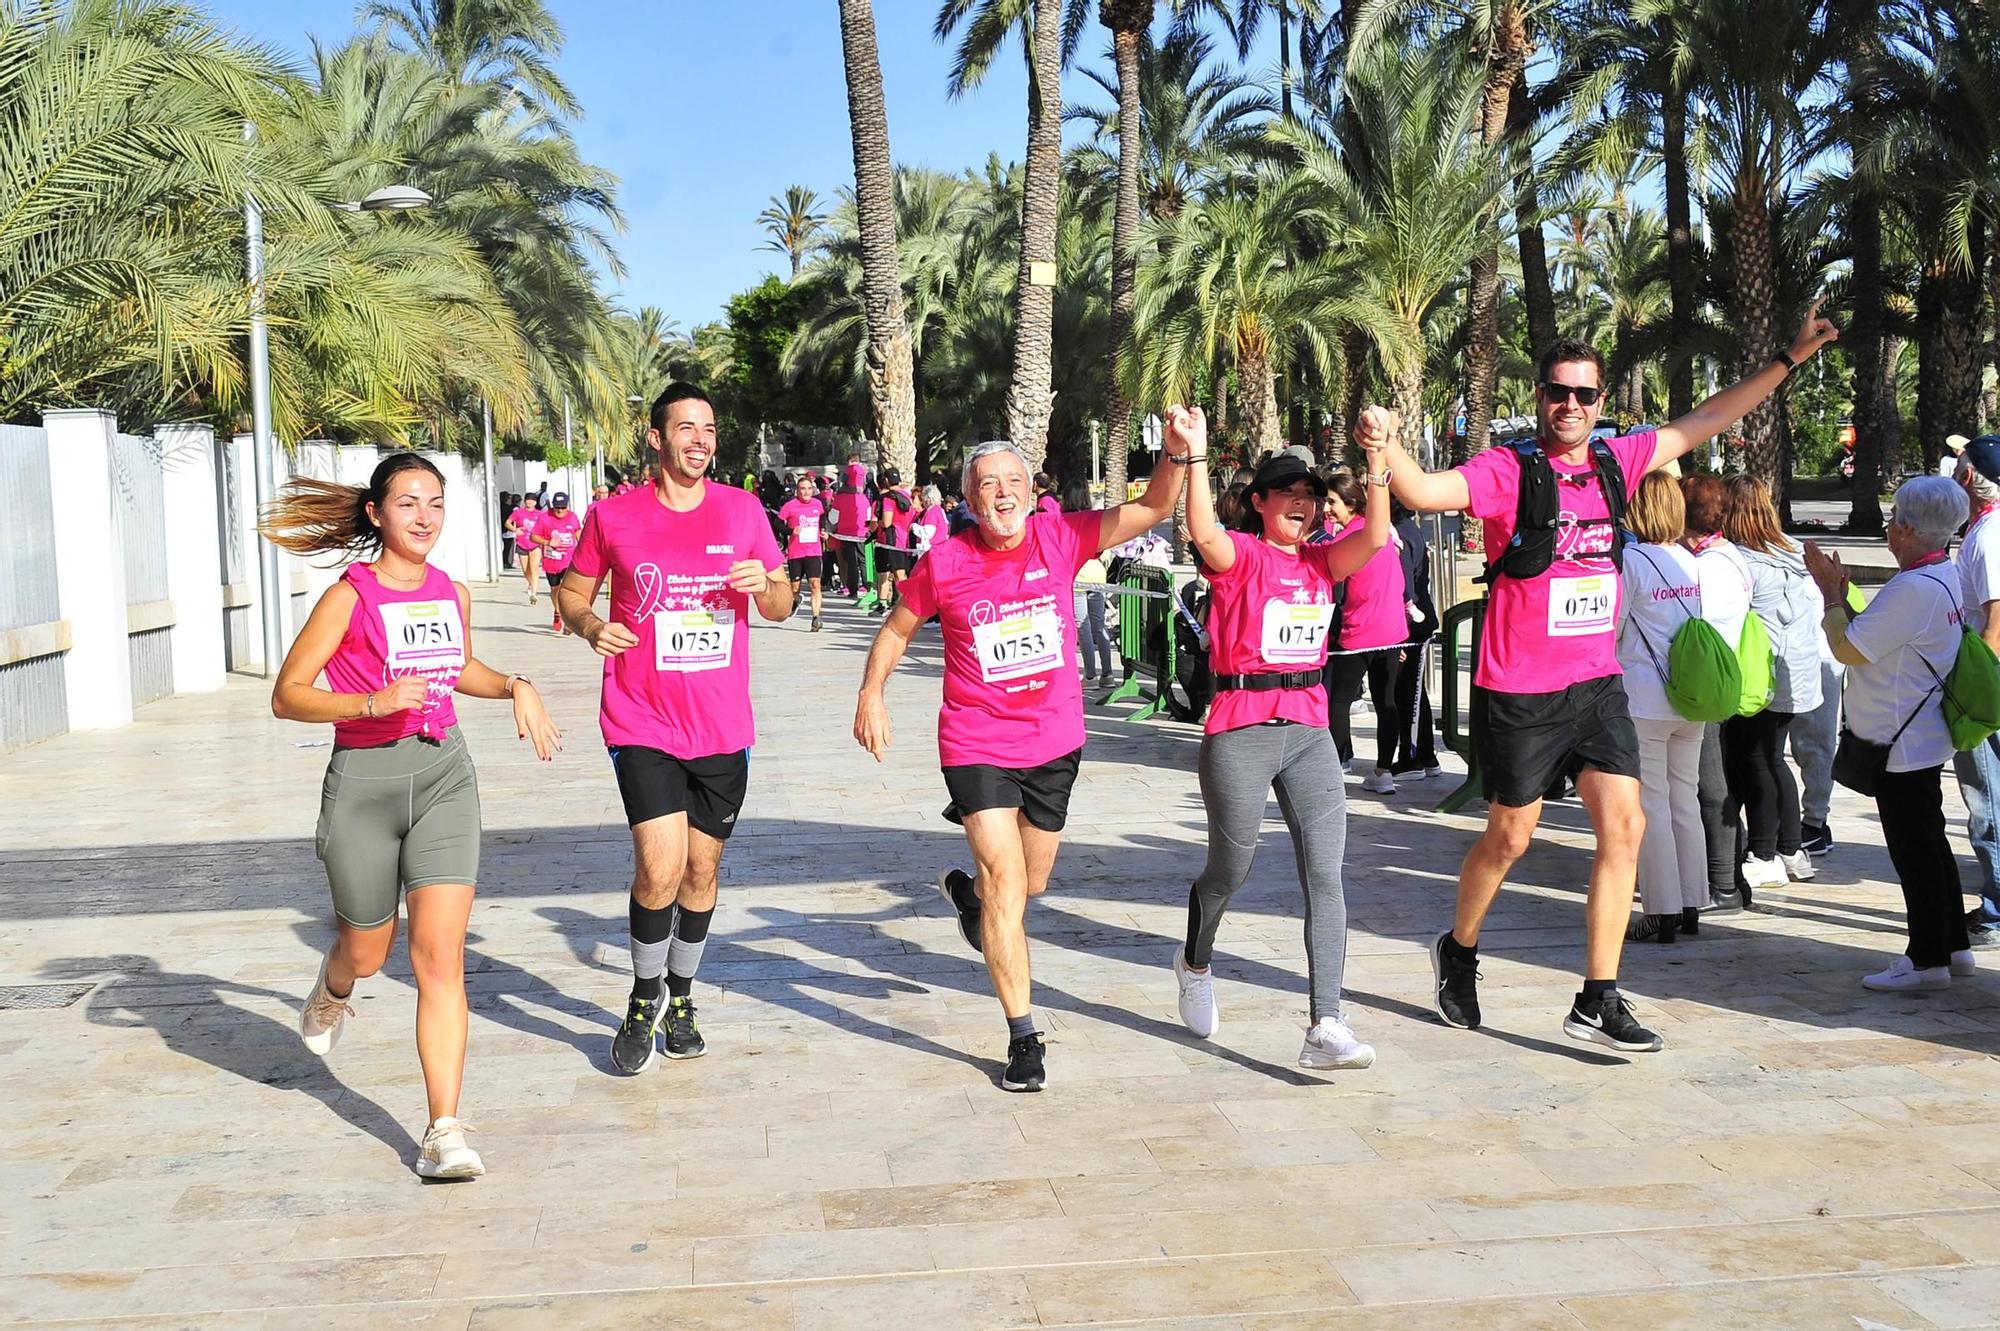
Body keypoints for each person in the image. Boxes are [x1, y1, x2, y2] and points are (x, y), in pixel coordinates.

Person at [1376, 303, 1840, 1051]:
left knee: (1625, 827)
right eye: (1558, 391)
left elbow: (1708, 419)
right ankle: (1458, 949)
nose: (1570, 405)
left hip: (1598, 683)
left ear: (1601, 401)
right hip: (1523, 688)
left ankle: (1599, 996)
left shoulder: (1616, 462)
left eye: (1584, 394)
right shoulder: (1507, 470)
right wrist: (1388, 445)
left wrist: (1790, 360)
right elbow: (1425, 493)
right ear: (1541, 398)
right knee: (1511, 837)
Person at [853, 437, 1192, 1091]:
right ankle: (1024, 1036)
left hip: (1054, 742)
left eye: (1014, 479)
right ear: (969, 498)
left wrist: (1177, 453)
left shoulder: (1061, 536)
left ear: (1031, 489)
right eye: (988, 483)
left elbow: (1154, 505)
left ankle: (971, 903)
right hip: (976, 742)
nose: (1003, 492)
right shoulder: (946, 562)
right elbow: (897, 627)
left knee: (1029, 884)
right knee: (1007, 885)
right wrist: (872, 690)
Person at [264, 453, 562, 1180]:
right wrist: (368, 703)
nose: (424, 516)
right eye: (407, 503)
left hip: (442, 780)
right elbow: (288, 694)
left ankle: (443, 1130)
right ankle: (335, 988)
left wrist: (514, 684)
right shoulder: (349, 596)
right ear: (376, 513)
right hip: (363, 786)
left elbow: (456, 667)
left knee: (439, 960)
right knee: (368, 951)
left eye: (435, 503)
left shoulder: (449, 592)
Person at [554, 383, 793, 1075]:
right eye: (685, 427)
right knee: (658, 867)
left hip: (722, 724)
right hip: (642, 718)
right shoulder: (613, 515)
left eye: (709, 428)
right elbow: (573, 590)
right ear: (655, 438)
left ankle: (681, 995)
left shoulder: (744, 510)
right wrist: (593, 623)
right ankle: (642, 994)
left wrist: (763, 588)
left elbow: (778, 602)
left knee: (702, 868)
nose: (699, 439)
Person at [1173, 410, 1393, 1069]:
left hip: (1308, 734)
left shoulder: (1325, 563)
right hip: (1240, 731)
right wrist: (1196, 457)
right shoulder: (1240, 556)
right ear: (1261, 501)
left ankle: (1325, 1022)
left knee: (1326, 871)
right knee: (1229, 870)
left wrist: (1378, 461)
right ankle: (1195, 959)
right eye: (1287, 492)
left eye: (1311, 495)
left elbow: (1377, 535)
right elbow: (1202, 529)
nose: (1301, 503)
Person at [1805, 478, 1979, 989]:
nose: (1886, 526)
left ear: (1905, 527)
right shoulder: (1943, 574)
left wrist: (1830, 593)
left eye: (1891, 517)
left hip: (1900, 739)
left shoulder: (1912, 588)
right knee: (1930, 844)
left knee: (1914, 851)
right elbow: (1876, 637)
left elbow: (1848, 648)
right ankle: (1952, 946)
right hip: (1922, 734)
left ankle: (1927, 961)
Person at [1616, 473, 1709, 943]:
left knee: (1650, 801)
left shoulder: (1631, 561)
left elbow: (1611, 629)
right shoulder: (1689, 560)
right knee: (1684, 797)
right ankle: (1693, 899)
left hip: (1646, 696)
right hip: (1691, 695)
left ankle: (1661, 909)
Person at [1724, 476, 1823, 886]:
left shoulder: (1741, 560)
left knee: (1756, 760)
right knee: (1773, 757)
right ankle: (1791, 848)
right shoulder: (1792, 550)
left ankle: (1763, 852)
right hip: (1795, 667)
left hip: (1758, 672)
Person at [1682, 475, 1756, 908]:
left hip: (1703, 684)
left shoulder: (1706, 566)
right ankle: (1727, 876)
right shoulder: (1726, 556)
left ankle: (1722, 883)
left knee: (1711, 786)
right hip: (1717, 678)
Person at [1324, 471, 1409, 794]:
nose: (1326, 509)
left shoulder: (1348, 539)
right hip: (1392, 631)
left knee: (1339, 699)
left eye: (1331, 503)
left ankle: (1338, 760)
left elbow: (1334, 586)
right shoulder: (1382, 534)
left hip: (1358, 633)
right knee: (1386, 702)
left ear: (1351, 504)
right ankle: (1383, 771)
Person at [1951, 437, 2000, 947]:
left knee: (1986, 797)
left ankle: (1996, 908)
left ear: (1968, 478)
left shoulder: (1988, 535)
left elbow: (1996, 623)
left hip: (1989, 680)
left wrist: (1976, 691)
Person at [1390, 502, 1441, 779]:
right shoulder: (1410, 528)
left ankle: (1411, 757)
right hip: (1415, 623)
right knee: (1414, 692)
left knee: (1407, 693)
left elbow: (1406, 589)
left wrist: (1400, 632)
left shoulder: (1401, 534)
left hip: (1411, 626)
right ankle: (1425, 753)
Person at [1063, 478, 1116, 688]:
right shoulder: (1095, 518)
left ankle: (1091, 676)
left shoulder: (1066, 520)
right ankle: (1108, 674)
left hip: (1078, 576)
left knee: (1082, 627)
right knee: (1099, 625)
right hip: (1097, 573)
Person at [779, 472, 828, 631]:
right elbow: (777, 524)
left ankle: (816, 617)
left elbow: (823, 520)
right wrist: (790, 531)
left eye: (808, 489)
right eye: (802, 489)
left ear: (813, 490)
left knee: (815, 584)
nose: (806, 492)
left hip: (814, 551)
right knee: (795, 588)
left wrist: (824, 531)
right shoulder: (790, 505)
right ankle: (796, 599)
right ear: (797, 491)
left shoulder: (818, 505)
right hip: (796, 553)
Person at [534, 493, 584, 635]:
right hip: (551, 561)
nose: (560, 511)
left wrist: (584, 546)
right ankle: (558, 612)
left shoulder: (572, 517)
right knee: (555, 591)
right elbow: (533, 536)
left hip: (568, 560)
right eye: (557, 508)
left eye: (562, 507)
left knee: (565, 590)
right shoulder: (544, 518)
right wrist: (548, 542)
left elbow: (577, 531)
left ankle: (568, 622)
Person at [872, 467, 917, 613]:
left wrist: (877, 524)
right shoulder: (907, 496)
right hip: (903, 539)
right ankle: (903, 602)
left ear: (886, 481)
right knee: (900, 573)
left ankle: (892, 604)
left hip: (890, 539)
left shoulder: (888, 498)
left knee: (886, 573)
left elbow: (886, 521)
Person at [830, 460, 871, 603]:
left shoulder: (840, 497)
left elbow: (833, 518)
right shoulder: (864, 498)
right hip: (862, 533)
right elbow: (868, 516)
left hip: (845, 534)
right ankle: (867, 586)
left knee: (851, 561)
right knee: (864, 560)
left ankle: (852, 589)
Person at [506, 493, 542, 604]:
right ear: (524, 501)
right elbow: (507, 523)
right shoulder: (518, 512)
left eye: (532, 500)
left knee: (534, 568)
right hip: (522, 543)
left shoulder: (540, 514)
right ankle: (531, 583)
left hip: (535, 544)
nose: (530, 502)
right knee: (526, 571)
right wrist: (514, 530)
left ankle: (534, 594)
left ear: (536, 502)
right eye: (528, 500)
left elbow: (546, 526)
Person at [913, 484, 948, 560]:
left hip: (932, 552)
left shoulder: (932, 512)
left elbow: (928, 533)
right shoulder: (940, 511)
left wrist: (913, 527)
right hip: (940, 550)